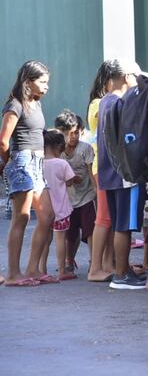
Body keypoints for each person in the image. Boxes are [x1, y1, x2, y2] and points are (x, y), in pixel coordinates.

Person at [1, 60, 55, 286]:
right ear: (28, 81)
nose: (46, 86)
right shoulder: (15, 105)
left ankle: (33, 268)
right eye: (42, 82)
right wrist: (7, 164)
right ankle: (14, 273)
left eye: (47, 82)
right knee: (21, 218)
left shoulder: (36, 104)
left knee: (47, 215)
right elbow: (3, 141)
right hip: (22, 161)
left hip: (38, 162)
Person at [97, 60, 146, 290]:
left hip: (109, 173)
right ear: (126, 76)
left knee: (119, 224)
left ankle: (122, 270)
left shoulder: (105, 101)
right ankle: (121, 274)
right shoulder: (120, 103)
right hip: (124, 174)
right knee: (124, 226)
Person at [54, 110, 97, 275]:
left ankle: (94, 261)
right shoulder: (58, 152)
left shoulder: (84, 149)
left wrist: (96, 192)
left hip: (86, 196)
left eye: (77, 133)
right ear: (62, 133)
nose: (74, 136)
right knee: (70, 235)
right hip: (68, 199)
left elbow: (91, 172)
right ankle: (69, 261)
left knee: (91, 230)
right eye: (70, 133)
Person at [86, 61, 116, 282]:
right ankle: (95, 268)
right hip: (103, 167)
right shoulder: (99, 103)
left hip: (107, 166)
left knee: (110, 218)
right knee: (103, 218)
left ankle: (107, 263)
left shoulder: (102, 101)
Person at [41, 129, 76, 280]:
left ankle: (41, 269)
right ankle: (62, 270)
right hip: (61, 210)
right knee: (60, 238)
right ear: (57, 148)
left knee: (44, 239)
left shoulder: (39, 162)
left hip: (44, 209)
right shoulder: (62, 164)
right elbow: (69, 182)